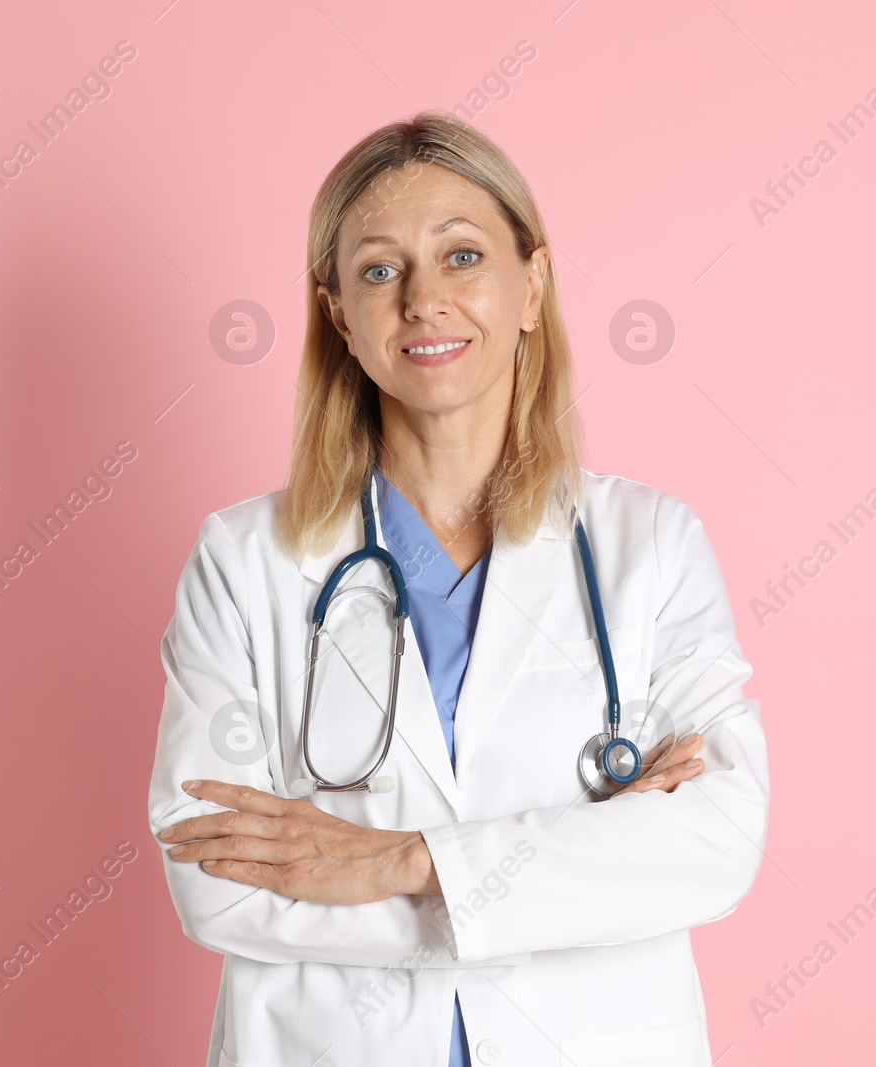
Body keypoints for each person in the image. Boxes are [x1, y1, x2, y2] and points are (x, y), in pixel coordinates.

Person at [148, 111, 770, 1067]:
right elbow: (217, 878)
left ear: (532, 287)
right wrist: (571, 869)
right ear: (340, 316)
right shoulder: (244, 560)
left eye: (464, 255)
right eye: (381, 270)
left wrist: (397, 860)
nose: (424, 300)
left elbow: (716, 839)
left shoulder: (648, 545)